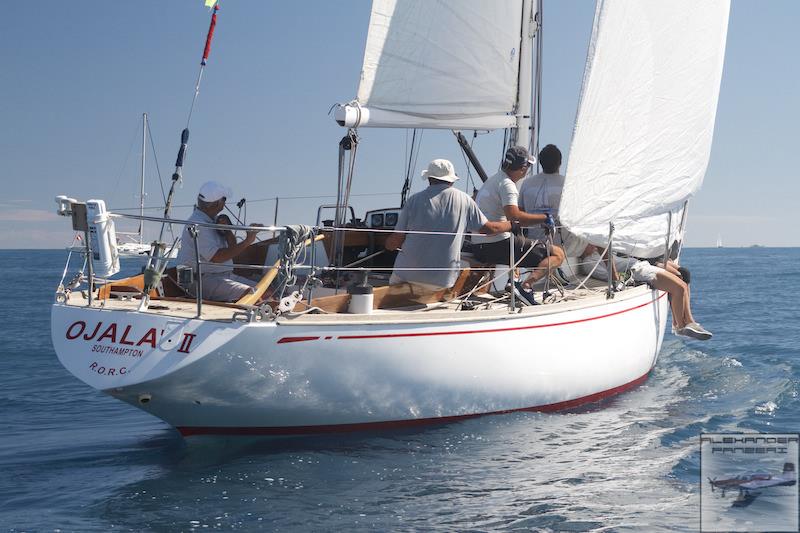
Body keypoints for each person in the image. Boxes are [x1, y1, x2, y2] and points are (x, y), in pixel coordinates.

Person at [385, 159, 512, 290]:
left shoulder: (413, 201)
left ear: (429, 178)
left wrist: (387, 245)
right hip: (442, 282)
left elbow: (395, 242)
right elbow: (489, 229)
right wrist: (512, 225)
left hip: (406, 277)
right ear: (451, 180)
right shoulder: (464, 200)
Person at [471, 146, 565, 304]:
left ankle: (513, 281)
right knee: (557, 254)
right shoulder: (507, 185)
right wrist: (544, 218)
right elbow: (515, 217)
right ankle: (526, 286)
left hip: (478, 245)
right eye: (528, 166)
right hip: (496, 244)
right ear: (523, 168)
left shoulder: (493, 180)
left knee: (518, 238)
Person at [175, 181, 261, 302]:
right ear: (217, 203)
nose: (225, 203)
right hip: (203, 280)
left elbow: (232, 246)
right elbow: (217, 257)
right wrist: (247, 241)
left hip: (222, 276)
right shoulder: (198, 224)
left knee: (265, 290)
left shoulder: (212, 220)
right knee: (252, 295)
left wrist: (228, 231)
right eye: (224, 199)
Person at [630, 259, 712, 340]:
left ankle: (688, 321)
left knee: (685, 273)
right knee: (679, 279)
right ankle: (680, 324)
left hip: (655, 258)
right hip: (646, 259)